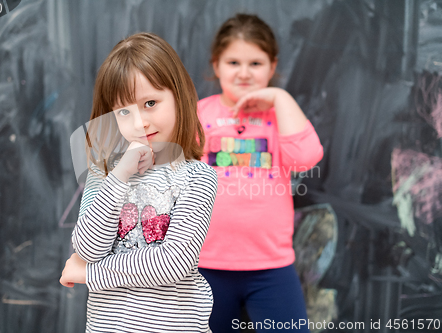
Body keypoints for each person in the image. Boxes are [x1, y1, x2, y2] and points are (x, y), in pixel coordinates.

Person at [59, 32, 217, 333]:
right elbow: (88, 249)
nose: (139, 122)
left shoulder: (197, 177)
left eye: (150, 103)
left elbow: (175, 261)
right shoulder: (103, 175)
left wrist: (90, 275)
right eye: (123, 111)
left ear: (179, 97)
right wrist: (120, 175)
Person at [197, 14, 324, 332]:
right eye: (233, 62)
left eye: (255, 63)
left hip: (271, 267)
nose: (243, 73)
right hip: (204, 266)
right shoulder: (199, 114)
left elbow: (305, 159)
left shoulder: (281, 114)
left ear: (272, 66)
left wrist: (281, 98)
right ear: (216, 65)